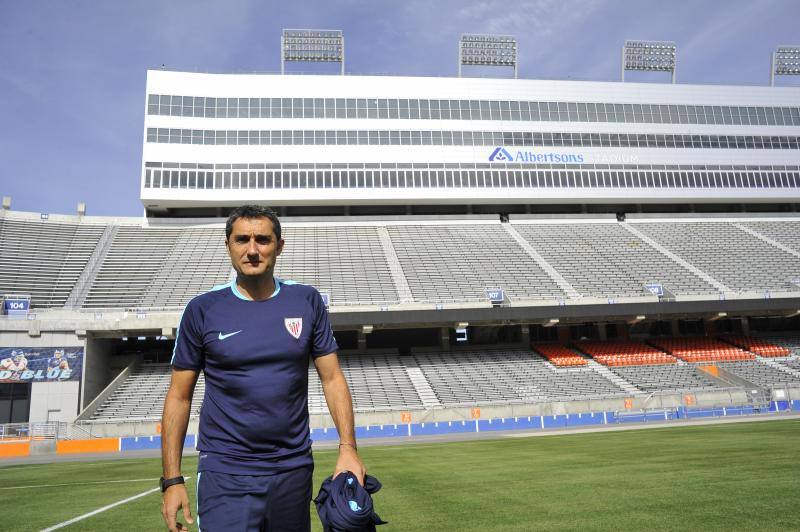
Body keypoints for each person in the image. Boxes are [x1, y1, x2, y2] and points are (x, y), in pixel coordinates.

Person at [161, 205, 365, 532]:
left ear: (279, 246)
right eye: (242, 239)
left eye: (263, 240)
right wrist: (172, 480)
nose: (252, 250)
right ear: (228, 245)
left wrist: (349, 449)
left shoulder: (306, 301)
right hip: (225, 471)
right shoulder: (202, 310)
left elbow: (332, 378)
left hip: (293, 468)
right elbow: (179, 396)